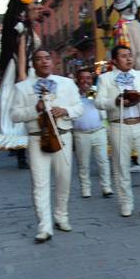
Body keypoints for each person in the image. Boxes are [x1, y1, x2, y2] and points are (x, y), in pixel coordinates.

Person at [10, 50, 83, 243]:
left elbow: (79, 107)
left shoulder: (67, 83)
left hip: (63, 137)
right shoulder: (22, 88)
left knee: (63, 179)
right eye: (39, 59)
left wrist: (65, 110)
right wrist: (35, 109)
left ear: (53, 62)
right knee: (39, 183)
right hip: (37, 138)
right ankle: (44, 226)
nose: (44, 61)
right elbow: (15, 115)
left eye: (47, 58)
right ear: (33, 64)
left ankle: (61, 216)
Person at [95, 45, 140, 218]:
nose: (128, 59)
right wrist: (116, 101)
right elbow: (99, 102)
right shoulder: (105, 79)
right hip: (119, 124)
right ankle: (126, 202)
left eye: (130, 55)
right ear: (115, 61)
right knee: (121, 165)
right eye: (124, 56)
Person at [0, 0, 41, 169]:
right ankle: (23, 153)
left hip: (24, 70)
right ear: (24, 10)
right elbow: (21, 54)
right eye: (33, 7)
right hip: (21, 71)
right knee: (24, 109)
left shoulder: (23, 27)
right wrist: (23, 78)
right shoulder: (21, 28)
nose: (36, 10)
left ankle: (23, 152)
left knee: (25, 110)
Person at [72, 69, 113, 199]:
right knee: (83, 164)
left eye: (88, 78)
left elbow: (98, 102)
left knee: (103, 161)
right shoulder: (72, 94)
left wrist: (90, 92)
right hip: (81, 134)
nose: (85, 81)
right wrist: (80, 93)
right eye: (82, 78)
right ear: (77, 80)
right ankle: (85, 189)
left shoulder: (94, 91)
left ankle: (106, 187)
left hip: (98, 131)